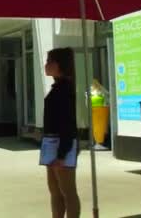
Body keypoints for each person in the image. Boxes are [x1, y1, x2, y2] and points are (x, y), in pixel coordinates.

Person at [43, 47, 80, 218]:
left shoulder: (65, 90)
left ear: (60, 65)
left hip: (61, 144)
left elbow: (67, 124)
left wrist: (62, 153)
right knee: (55, 191)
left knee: (67, 191)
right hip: (50, 142)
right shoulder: (58, 87)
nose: (46, 65)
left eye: (50, 61)